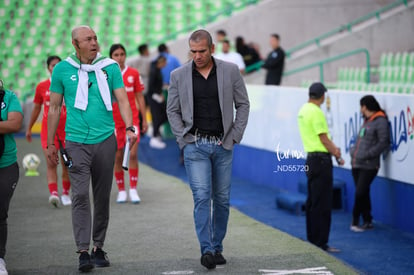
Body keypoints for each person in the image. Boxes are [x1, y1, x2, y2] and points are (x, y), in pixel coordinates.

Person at [47, 25, 137, 272]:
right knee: (79, 195)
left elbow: (122, 99)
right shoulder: (63, 70)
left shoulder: (110, 67)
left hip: (106, 139)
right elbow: (54, 108)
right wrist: (50, 142)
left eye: (95, 38)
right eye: (88, 39)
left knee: (101, 196)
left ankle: (98, 246)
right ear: (75, 44)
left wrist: (130, 127)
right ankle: (83, 251)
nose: (94, 42)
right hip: (75, 142)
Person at [167, 29, 250, 270]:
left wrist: (235, 135)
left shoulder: (230, 71)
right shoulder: (178, 75)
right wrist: (183, 139)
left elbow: (243, 104)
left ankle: (217, 246)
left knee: (222, 200)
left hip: (223, 144)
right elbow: (172, 110)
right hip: (195, 145)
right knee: (202, 197)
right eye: (193, 52)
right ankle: (207, 250)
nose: (197, 56)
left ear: (211, 49)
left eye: (202, 51)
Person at [297, 82, 344, 253]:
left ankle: (312, 238)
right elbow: (323, 138)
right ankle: (321, 241)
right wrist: (337, 153)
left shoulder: (303, 110)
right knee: (323, 203)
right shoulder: (316, 112)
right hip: (322, 160)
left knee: (312, 201)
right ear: (322, 95)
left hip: (311, 159)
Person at [26, 55, 72, 207]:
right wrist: (29, 127)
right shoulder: (42, 87)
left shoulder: (69, 84)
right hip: (49, 130)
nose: (55, 68)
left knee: (67, 164)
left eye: (59, 65)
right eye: (53, 65)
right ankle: (54, 193)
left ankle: (65, 193)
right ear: (48, 68)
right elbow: (37, 108)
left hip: (67, 129)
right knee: (51, 162)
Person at [109, 43, 147, 204]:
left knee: (132, 154)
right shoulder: (107, 75)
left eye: (122, 54)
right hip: (114, 122)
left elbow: (140, 97)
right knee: (117, 156)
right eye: (116, 55)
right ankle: (122, 190)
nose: (119, 57)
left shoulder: (133, 73)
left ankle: (133, 189)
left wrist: (144, 118)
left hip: (132, 121)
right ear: (111, 57)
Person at [349, 95, 390, 232]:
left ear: (365, 107)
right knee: (363, 192)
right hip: (357, 163)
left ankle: (355, 220)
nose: (360, 110)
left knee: (360, 192)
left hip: (369, 165)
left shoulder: (380, 121)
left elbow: (383, 142)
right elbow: (360, 140)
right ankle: (367, 220)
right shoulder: (367, 121)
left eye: (361, 107)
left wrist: (367, 154)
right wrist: (353, 151)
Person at [0, 80, 23, 275]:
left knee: (0, 212)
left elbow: (15, 123)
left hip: (5, 164)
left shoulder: (8, 97)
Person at [148, 55, 168, 149]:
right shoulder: (154, 71)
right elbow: (151, 86)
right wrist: (158, 94)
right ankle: (154, 136)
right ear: (161, 62)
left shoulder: (157, 70)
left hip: (157, 96)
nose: (166, 64)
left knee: (164, 115)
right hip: (154, 98)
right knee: (157, 117)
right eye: (165, 62)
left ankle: (156, 133)